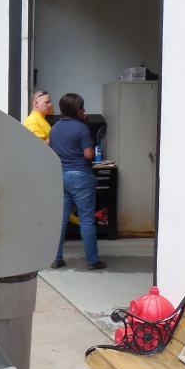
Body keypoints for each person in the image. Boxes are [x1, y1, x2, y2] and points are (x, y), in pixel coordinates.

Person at [48, 93, 107, 271]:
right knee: (87, 220)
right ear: (77, 110)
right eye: (81, 107)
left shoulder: (55, 128)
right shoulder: (82, 128)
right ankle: (93, 260)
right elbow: (89, 155)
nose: (84, 110)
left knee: (61, 220)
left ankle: (56, 258)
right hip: (80, 176)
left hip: (61, 176)